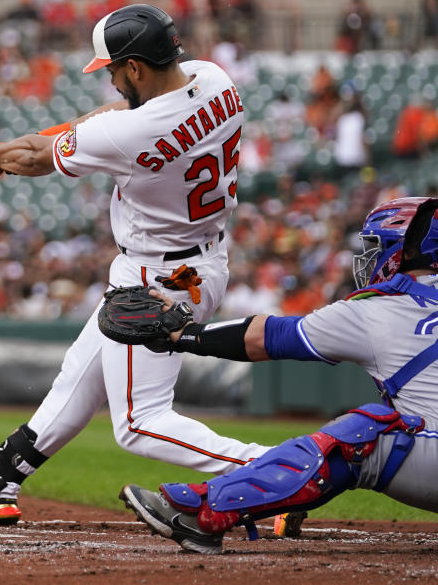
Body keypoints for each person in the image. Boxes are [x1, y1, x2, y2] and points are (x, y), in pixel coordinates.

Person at [0, 4, 272, 526]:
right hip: (193, 263)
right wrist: (16, 147)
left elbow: (46, 158)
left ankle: (274, 473)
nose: (111, 80)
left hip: (158, 279)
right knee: (77, 381)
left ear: (135, 69)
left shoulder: (132, 131)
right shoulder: (215, 79)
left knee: (139, 422)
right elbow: (105, 123)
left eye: (113, 71)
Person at [119, 196, 438, 554]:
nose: (368, 255)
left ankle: (203, 514)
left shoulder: (380, 309)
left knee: (365, 431)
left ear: (406, 249)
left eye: (375, 245)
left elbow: (266, 338)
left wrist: (184, 332)